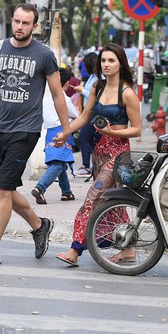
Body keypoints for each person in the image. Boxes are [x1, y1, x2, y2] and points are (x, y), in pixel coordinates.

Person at [0, 2, 70, 266]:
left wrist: (66, 129)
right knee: (4, 189)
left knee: (3, 189)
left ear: (34, 26)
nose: (19, 27)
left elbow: (58, 94)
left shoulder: (44, 55)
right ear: (11, 22)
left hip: (26, 130)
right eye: (16, 21)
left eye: (25, 23)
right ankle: (39, 225)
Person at [55, 43, 142, 267]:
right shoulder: (98, 88)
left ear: (120, 63)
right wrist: (66, 134)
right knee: (111, 200)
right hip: (99, 151)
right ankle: (128, 249)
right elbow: (84, 117)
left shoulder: (128, 93)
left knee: (92, 199)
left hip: (118, 154)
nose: (106, 65)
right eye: (103, 61)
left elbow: (137, 129)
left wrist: (113, 131)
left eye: (111, 60)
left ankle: (75, 250)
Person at [31, 67, 79, 204]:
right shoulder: (64, 97)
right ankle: (40, 188)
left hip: (49, 132)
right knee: (58, 164)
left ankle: (66, 192)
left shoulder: (44, 97)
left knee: (60, 162)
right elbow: (75, 115)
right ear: (66, 84)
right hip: (62, 130)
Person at [74, 52, 99, 178]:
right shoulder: (92, 76)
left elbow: (96, 96)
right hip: (88, 112)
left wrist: (82, 90)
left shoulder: (99, 78)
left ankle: (86, 166)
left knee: (84, 137)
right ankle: (92, 166)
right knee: (89, 139)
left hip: (94, 112)